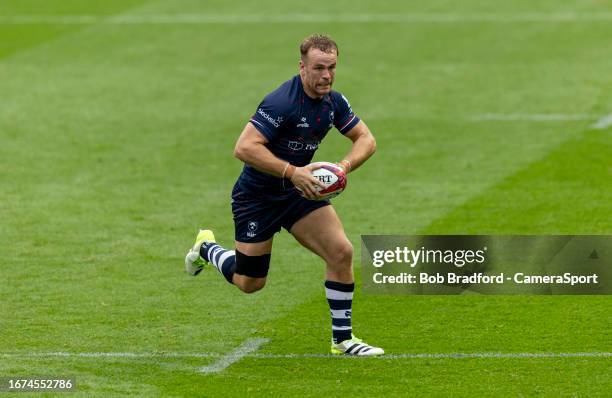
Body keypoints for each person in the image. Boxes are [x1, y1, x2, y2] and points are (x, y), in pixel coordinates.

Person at [185, 34, 383, 356]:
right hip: (257, 197)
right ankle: (206, 247)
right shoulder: (282, 103)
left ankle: (343, 340)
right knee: (250, 283)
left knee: (341, 252)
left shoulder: (334, 102)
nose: (327, 76)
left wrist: (342, 168)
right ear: (302, 67)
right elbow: (244, 147)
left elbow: (366, 139)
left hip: (298, 193)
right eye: (319, 68)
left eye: (332, 68)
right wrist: (293, 171)